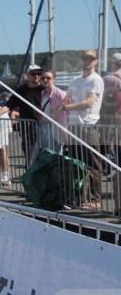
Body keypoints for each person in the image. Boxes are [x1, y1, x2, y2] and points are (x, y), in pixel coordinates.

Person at [62, 50, 105, 209]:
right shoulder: (75, 81)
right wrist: (63, 104)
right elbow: (67, 97)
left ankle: (95, 200)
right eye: (85, 58)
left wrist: (65, 106)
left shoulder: (96, 80)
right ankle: (78, 197)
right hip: (74, 126)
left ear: (95, 61)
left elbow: (89, 102)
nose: (87, 61)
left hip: (89, 126)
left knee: (93, 164)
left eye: (90, 59)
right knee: (76, 163)